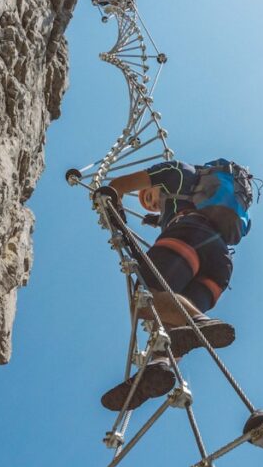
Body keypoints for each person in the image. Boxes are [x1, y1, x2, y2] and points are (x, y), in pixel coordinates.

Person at [98, 160, 239, 411]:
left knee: (146, 298)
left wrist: (110, 203)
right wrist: (158, 219)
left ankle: (199, 323)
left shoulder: (175, 171)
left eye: (149, 196)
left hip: (191, 234)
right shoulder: (187, 199)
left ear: (157, 186)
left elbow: (117, 186)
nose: (152, 204)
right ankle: (159, 364)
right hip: (220, 264)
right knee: (169, 325)